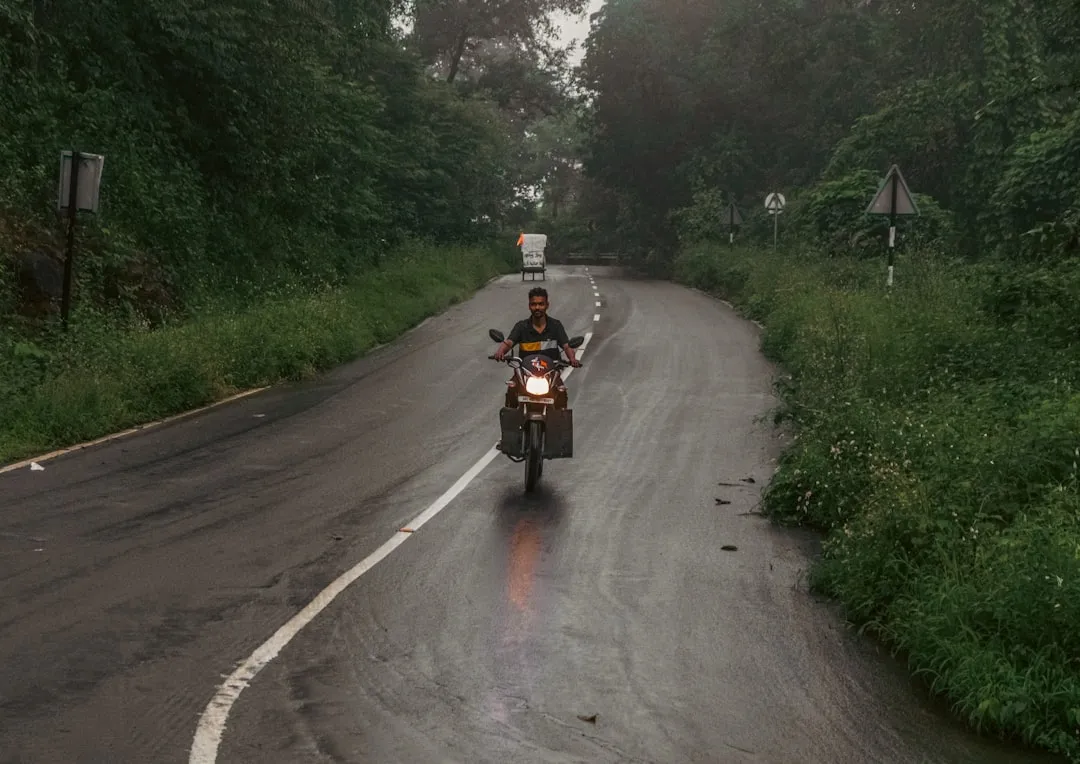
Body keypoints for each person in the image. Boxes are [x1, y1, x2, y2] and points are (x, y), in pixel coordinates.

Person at [493, 287, 581, 409]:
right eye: (534, 304)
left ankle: (559, 426)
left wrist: (573, 358)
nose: (537, 307)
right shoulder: (521, 326)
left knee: (561, 393)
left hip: (550, 374)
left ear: (547, 305)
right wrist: (500, 352)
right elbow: (508, 343)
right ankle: (512, 425)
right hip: (525, 374)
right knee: (512, 389)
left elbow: (566, 345)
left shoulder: (555, 326)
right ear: (529, 306)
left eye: (541, 304)